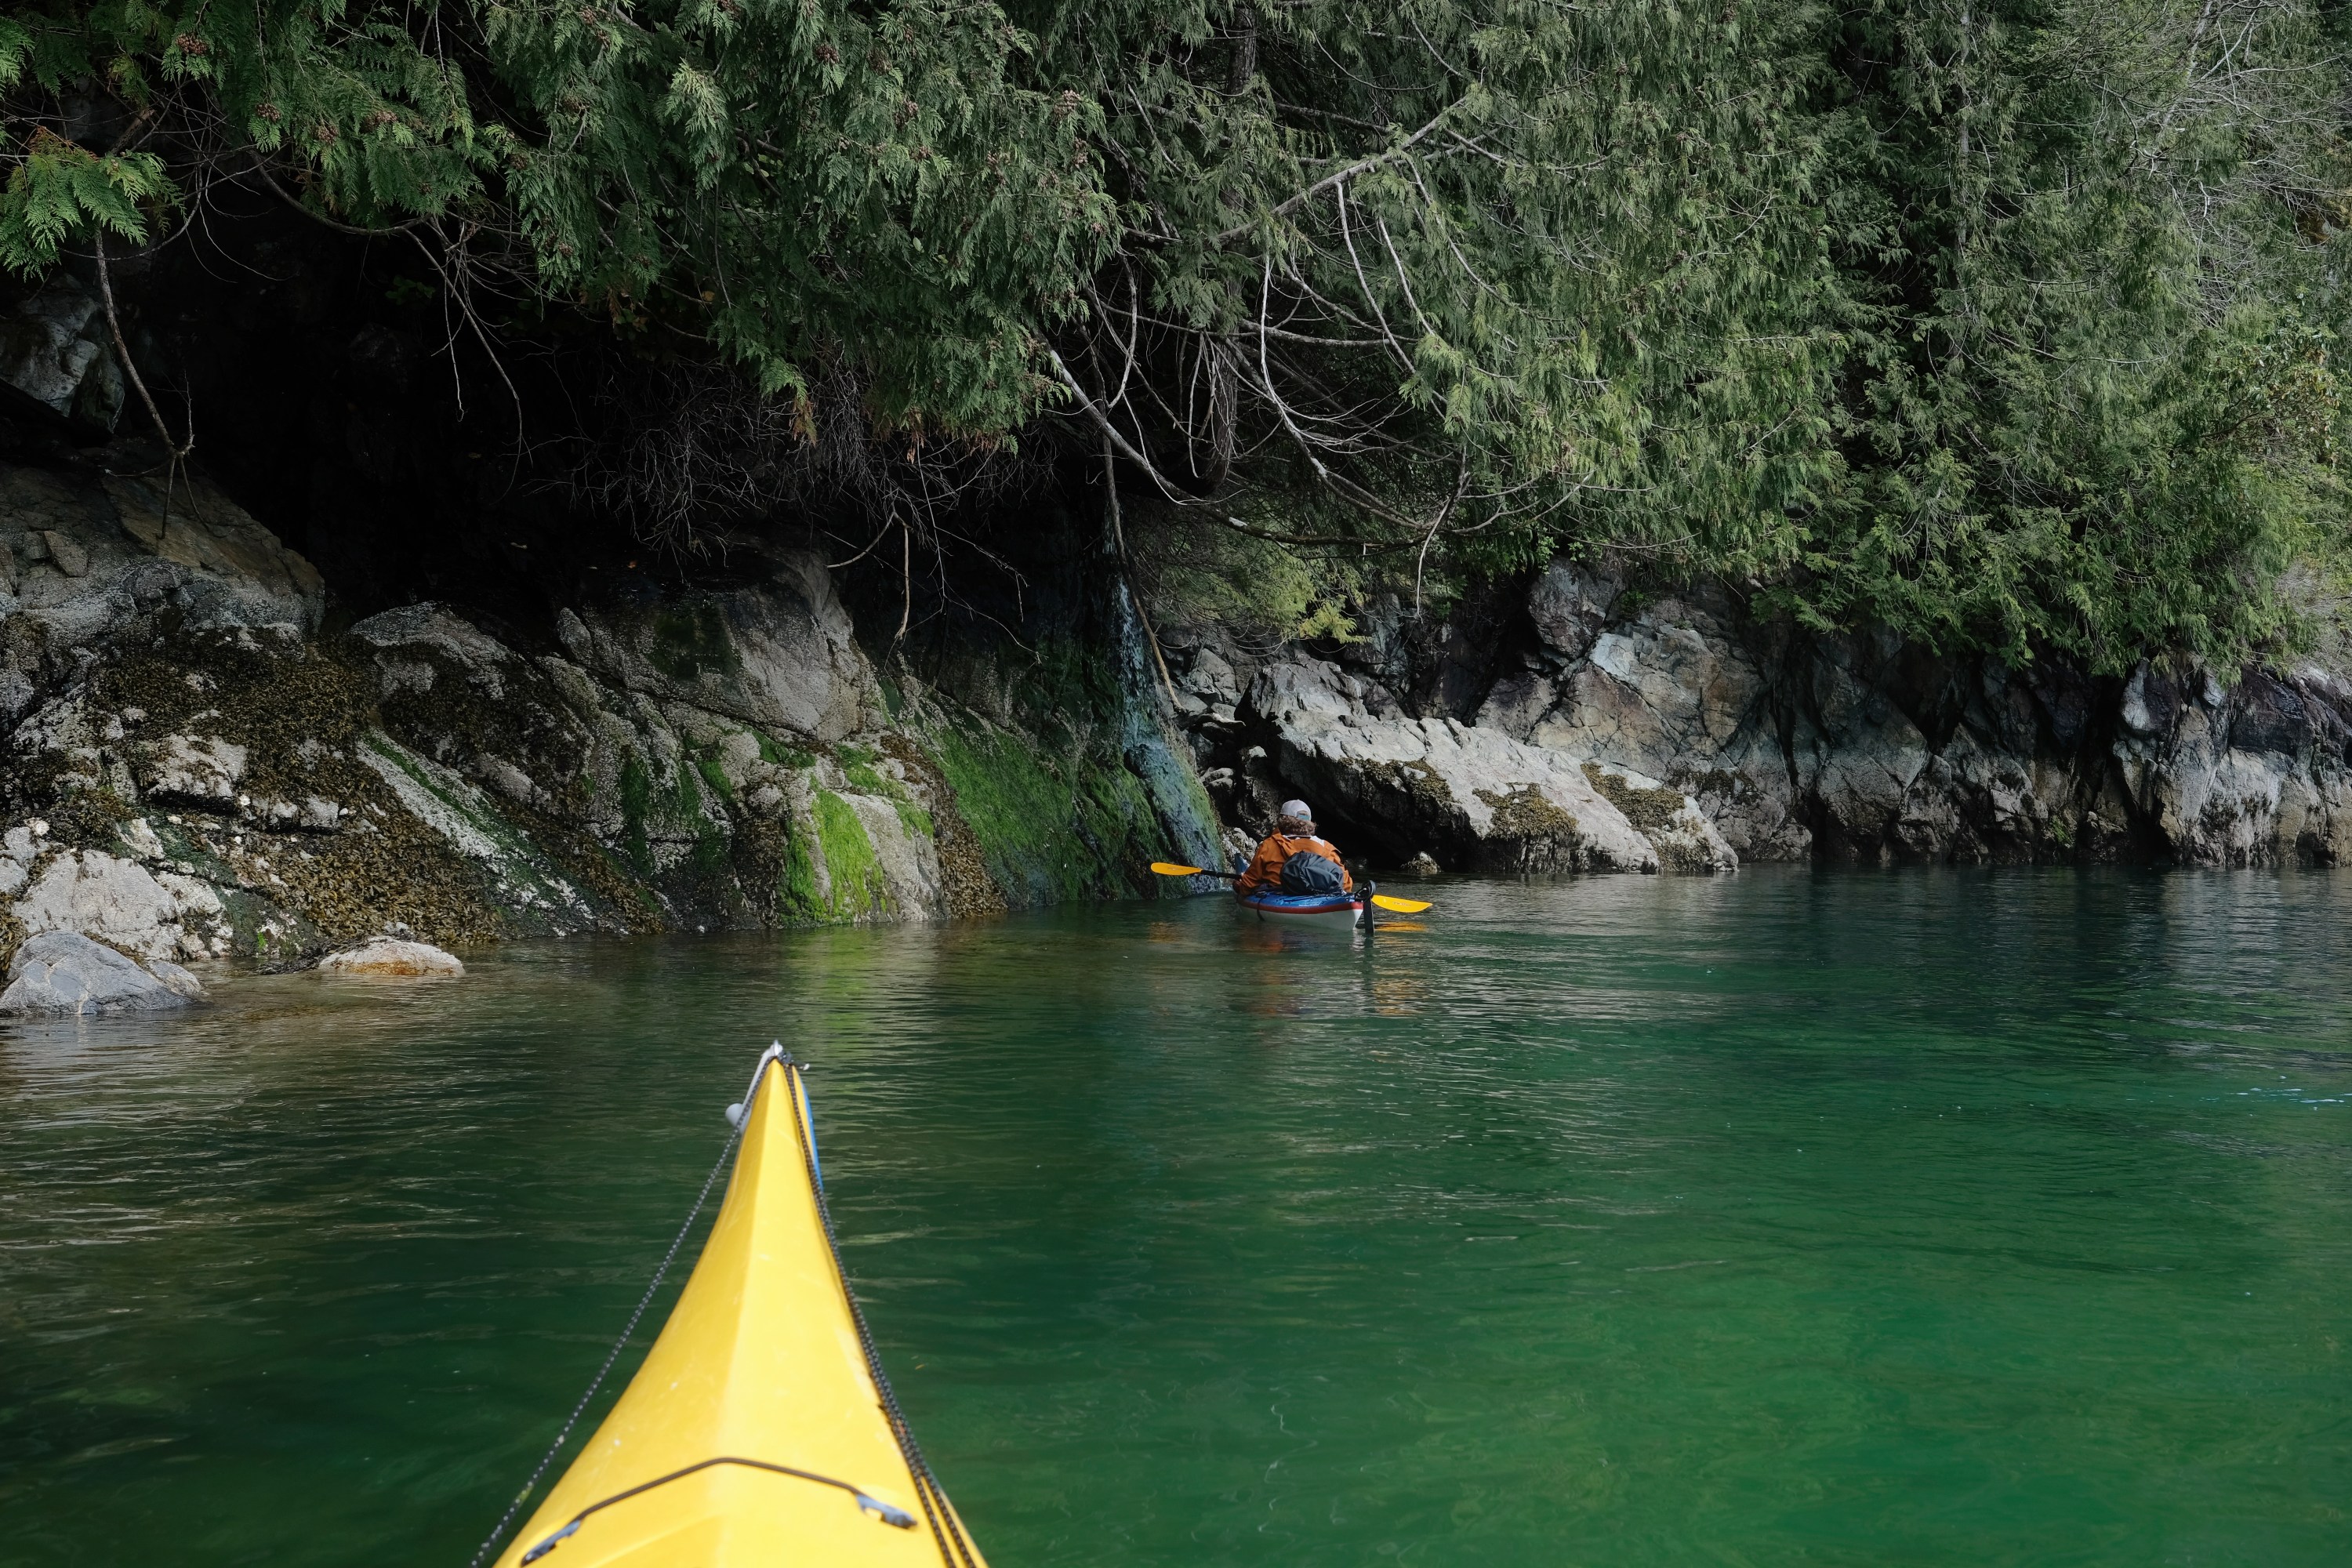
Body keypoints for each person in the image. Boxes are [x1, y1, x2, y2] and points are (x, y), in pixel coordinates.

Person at [1235, 800, 1355, 897]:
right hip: (1321, 897)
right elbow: (1346, 885)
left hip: (1277, 895)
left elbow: (1250, 883)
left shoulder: (1270, 845)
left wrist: (1240, 887)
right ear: (1309, 823)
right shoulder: (1327, 847)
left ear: (1282, 821)